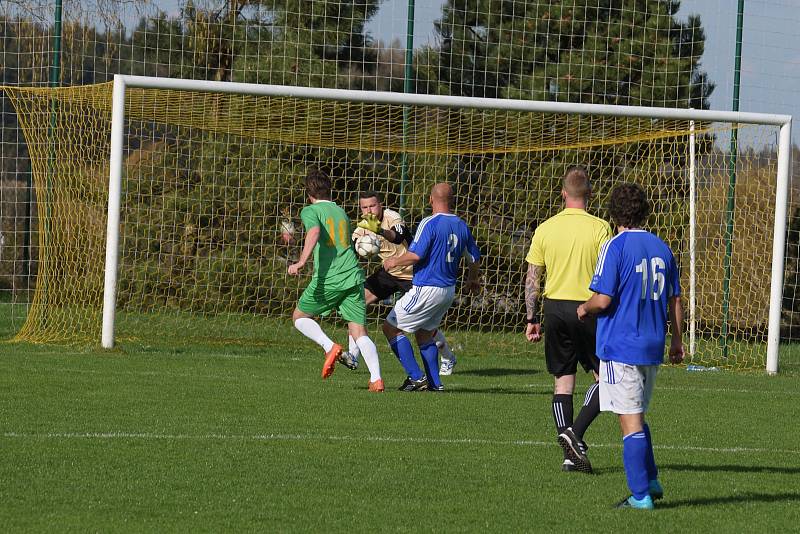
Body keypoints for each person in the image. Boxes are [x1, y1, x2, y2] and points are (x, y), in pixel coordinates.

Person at [577, 182, 684, 510]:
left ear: (613, 213)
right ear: (644, 211)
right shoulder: (661, 247)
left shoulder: (615, 246)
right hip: (652, 344)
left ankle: (640, 496)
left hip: (621, 345)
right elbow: (675, 298)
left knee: (629, 420)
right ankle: (651, 479)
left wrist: (584, 307)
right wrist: (677, 341)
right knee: (637, 414)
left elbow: (604, 299)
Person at [524, 166, 613, 473]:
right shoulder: (601, 227)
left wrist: (532, 317)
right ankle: (574, 433)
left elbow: (532, 278)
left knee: (563, 381)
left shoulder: (545, 228)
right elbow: (608, 273)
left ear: (563, 193)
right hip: (587, 309)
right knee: (608, 380)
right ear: (589, 194)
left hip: (554, 308)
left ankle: (568, 455)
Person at [287, 168, 384, 392]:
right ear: (329, 190)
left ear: (309, 194)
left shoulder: (311, 210)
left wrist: (301, 261)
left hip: (330, 278)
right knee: (359, 331)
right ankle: (376, 379)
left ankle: (330, 347)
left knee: (299, 317)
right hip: (353, 276)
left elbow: (313, 233)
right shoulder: (340, 211)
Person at [342, 191, 458, 375]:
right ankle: (353, 355)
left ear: (380, 205)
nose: (369, 210)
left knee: (424, 326)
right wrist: (359, 245)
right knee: (356, 302)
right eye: (364, 207)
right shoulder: (362, 227)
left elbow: (397, 236)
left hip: (414, 274)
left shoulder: (392, 217)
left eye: (372, 206)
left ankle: (448, 356)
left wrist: (379, 230)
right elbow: (355, 245)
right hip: (389, 272)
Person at [381, 183, 481, 391]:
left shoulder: (429, 222)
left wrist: (393, 262)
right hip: (447, 291)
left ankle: (417, 378)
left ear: (430, 199)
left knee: (390, 327)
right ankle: (435, 384)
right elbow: (474, 258)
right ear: (452, 201)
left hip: (426, 288)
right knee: (424, 333)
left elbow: (416, 254)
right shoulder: (461, 225)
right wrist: (472, 279)